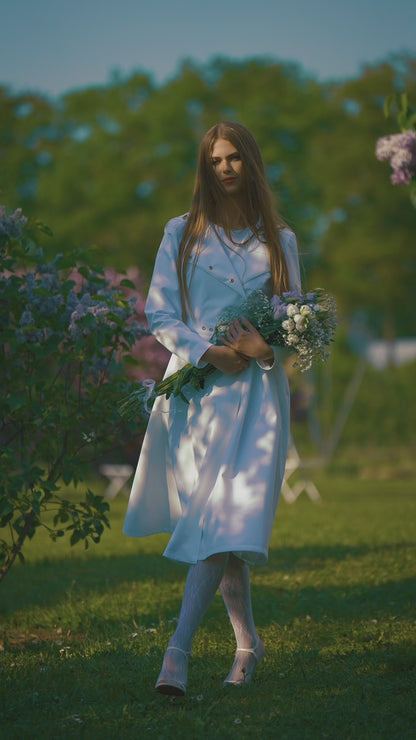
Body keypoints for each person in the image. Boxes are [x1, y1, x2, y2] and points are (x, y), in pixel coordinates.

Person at [123, 121, 302, 695]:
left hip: (258, 399)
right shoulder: (182, 233)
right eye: (216, 159)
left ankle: (175, 655)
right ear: (206, 167)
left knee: (222, 521)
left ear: (250, 162)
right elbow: (160, 314)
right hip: (198, 393)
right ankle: (248, 646)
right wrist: (210, 353)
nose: (225, 168)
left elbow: (297, 320)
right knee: (220, 525)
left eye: (235, 158)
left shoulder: (279, 239)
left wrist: (263, 351)